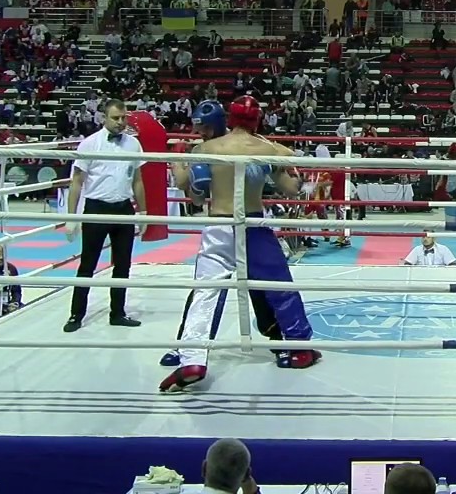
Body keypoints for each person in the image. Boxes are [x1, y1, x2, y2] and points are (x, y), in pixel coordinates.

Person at [160, 96, 320, 392]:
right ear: (257, 120)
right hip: (253, 224)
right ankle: (300, 347)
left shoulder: (206, 149)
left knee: (206, 292)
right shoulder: (268, 150)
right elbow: (290, 189)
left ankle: (192, 359)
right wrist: (300, 176)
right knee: (279, 286)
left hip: (219, 225)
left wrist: (176, 160)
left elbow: (191, 191)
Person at [63, 99, 146, 333]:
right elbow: (76, 182)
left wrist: (143, 211)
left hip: (124, 209)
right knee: (87, 264)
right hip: (96, 209)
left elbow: (138, 180)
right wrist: (71, 217)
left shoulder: (133, 144)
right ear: (104, 118)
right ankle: (76, 314)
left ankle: (118, 313)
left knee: (123, 265)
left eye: (124, 117)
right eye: (116, 118)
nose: (121, 122)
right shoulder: (89, 143)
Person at [159, 100, 228, 368]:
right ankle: (186, 345)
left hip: (250, 221)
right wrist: (181, 166)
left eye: (205, 128)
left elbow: (190, 191)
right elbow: (196, 197)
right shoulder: (204, 149)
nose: (201, 133)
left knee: (266, 289)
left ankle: (285, 342)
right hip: (223, 223)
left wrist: (180, 164)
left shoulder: (217, 147)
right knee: (206, 290)